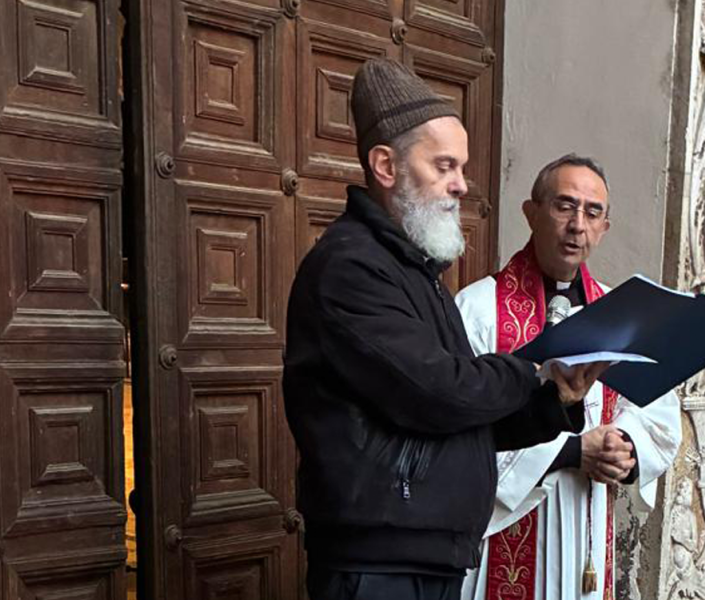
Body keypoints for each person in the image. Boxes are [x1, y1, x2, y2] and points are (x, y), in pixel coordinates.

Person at [283, 60, 611, 600]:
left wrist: (554, 402)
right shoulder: (352, 268)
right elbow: (436, 392)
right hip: (379, 561)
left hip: (419, 553)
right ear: (386, 166)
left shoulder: (412, 270)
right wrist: (529, 367)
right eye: (444, 166)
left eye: (461, 167)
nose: (461, 185)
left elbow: (462, 422)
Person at [456, 154, 683, 600]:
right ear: (531, 212)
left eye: (592, 212)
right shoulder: (478, 308)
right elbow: (458, 427)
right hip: (505, 524)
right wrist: (571, 451)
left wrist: (626, 447)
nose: (577, 225)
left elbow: (657, 413)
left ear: (604, 228)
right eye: (564, 206)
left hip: (587, 524)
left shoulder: (621, 315)